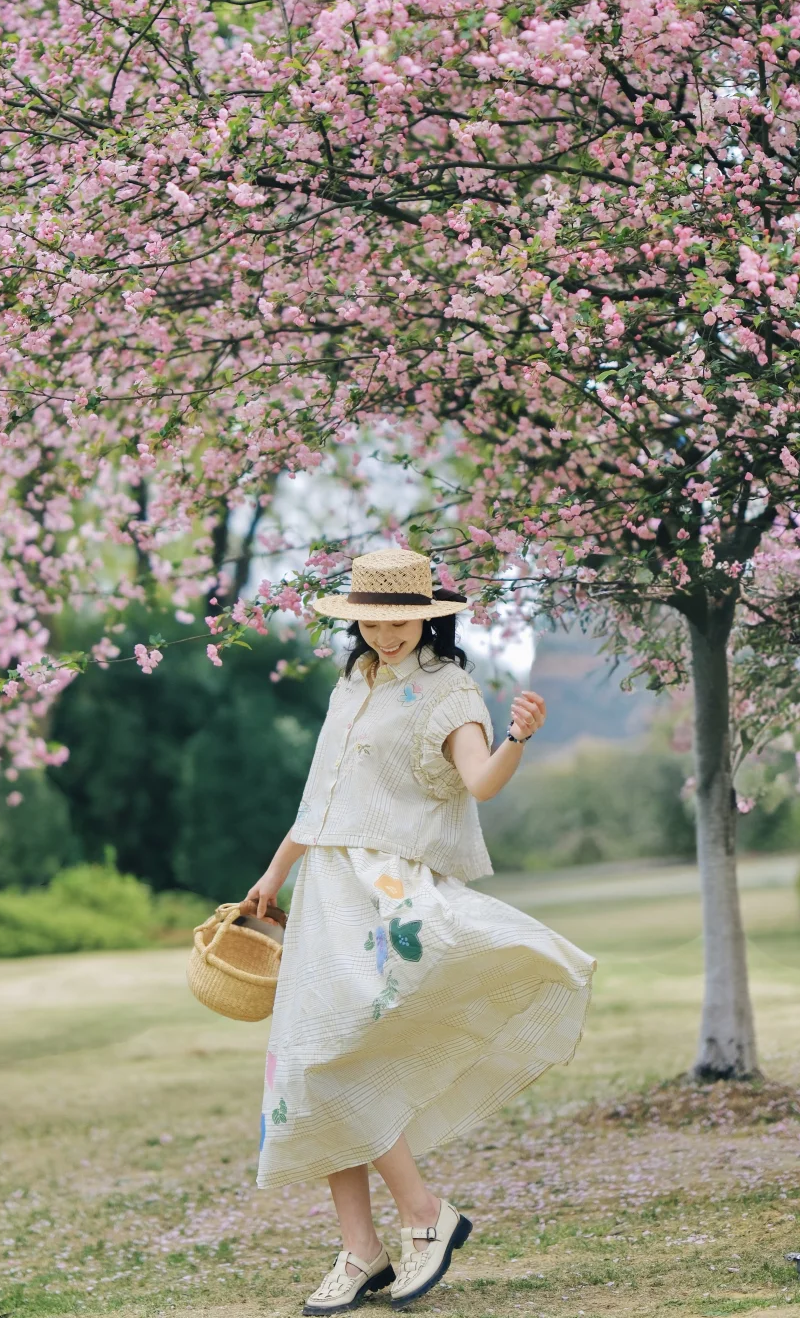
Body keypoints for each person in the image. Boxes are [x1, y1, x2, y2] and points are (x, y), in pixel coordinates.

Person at [246, 547, 596, 1314]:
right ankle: (362, 1250)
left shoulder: (448, 689)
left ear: (430, 613)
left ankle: (422, 1217)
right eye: (373, 620)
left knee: (339, 1059)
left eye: (401, 618)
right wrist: (274, 876)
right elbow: (319, 801)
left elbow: (481, 783)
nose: (388, 632)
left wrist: (518, 737)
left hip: (385, 894)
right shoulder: (353, 684)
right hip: (322, 892)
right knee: (311, 1065)